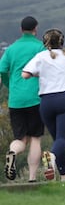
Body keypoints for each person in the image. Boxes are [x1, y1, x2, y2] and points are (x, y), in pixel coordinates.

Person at [22, 28, 65, 182]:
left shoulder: (41, 56)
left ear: (45, 43)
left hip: (46, 102)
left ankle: (64, 175)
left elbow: (25, 74)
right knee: (62, 139)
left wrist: (40, 72)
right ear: (62, 42)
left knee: (57, 138)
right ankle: (52, 156)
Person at [0, 16, 45, 182]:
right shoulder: (40, 47)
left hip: (16, 99)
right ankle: (32, 178)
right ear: (36, 29)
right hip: (35, 98)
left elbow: (2, 70)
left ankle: (12, 153)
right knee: (35, 138)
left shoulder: (11, 49)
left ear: (21, 30)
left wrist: (9, 85)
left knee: (20, 139)